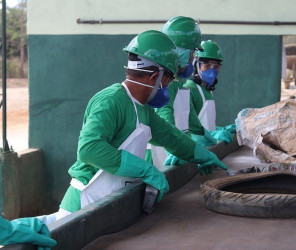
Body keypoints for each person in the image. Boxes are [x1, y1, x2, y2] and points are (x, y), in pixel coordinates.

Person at [38, 30, 227, 225]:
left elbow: (172, 138)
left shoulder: (144, 109)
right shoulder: (111, 100)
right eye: (168, 80)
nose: (168, 86)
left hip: (109, 206)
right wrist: (146, 169)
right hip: (83, 205)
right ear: (155, 77)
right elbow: (89, 149)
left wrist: (203, 155)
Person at [148, 17, 233, 167]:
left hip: (177, 157)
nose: (193, 58)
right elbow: (164, 117)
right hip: (160, 159)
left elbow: (192, 122)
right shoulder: (166, 83)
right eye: (192, 53)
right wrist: (176, 150)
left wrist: (209, 137)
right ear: (181, 53)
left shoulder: (179, 85)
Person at [184, 40, 236, 144]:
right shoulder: (189, 89)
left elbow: (204, 126)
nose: (212, 70)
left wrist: (219, 130)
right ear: (196, 65)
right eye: (207, 65)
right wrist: (211, 135)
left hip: (207, 148)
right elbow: (184, 130)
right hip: (193, 152)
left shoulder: (207, 90)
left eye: (216, 67)